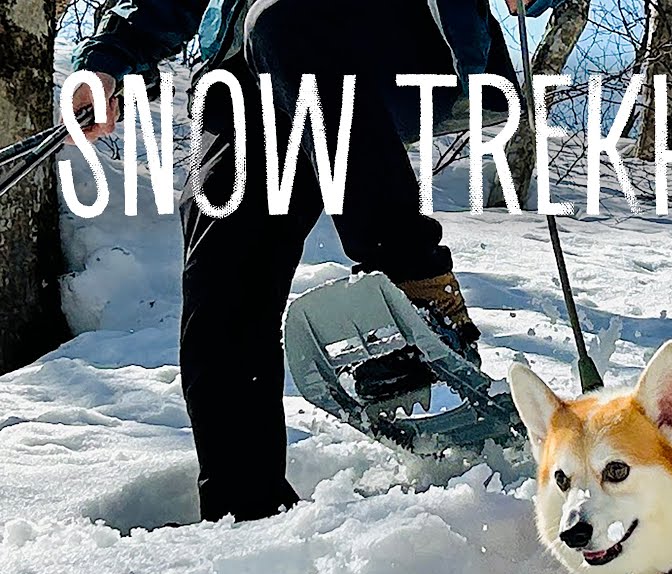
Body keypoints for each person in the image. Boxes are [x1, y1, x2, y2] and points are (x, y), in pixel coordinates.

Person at [66, 0, 564, 523]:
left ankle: (418, 282)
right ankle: (245, 514)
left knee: (283, 20)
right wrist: (107, 59)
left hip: (379, 42)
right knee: (223, 275)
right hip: (246, 75)